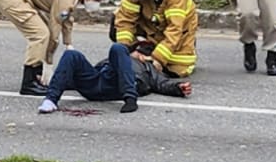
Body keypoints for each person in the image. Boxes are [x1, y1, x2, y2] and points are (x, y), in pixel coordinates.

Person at [0, 0, 113, 95]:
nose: (97, 3)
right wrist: (49, 64)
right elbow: (55, 30)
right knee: (40, 34)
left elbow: (66, 17)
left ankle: (36, 76)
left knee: (43, 32)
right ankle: (28, 82)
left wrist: (68, 44)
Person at [36, 42, 193, 114]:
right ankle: (50, 100)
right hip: (95, 82)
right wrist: (59, 81)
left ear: (141, 55)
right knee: (72, 55)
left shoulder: (146, 67)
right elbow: (89, 72)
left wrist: (177, 88)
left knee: (118, 47)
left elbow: (162, 83)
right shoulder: (115, 58)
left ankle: (130, 100)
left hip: (117, 86)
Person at [111, 0, 198, 77]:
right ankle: (142, 48)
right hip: (152, 28)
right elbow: (125, 20)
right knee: (116, 22)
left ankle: (152, 51)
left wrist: (157, 58)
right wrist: (123, 51)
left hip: (180, 32)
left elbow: (175, 29)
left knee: (177, 69)